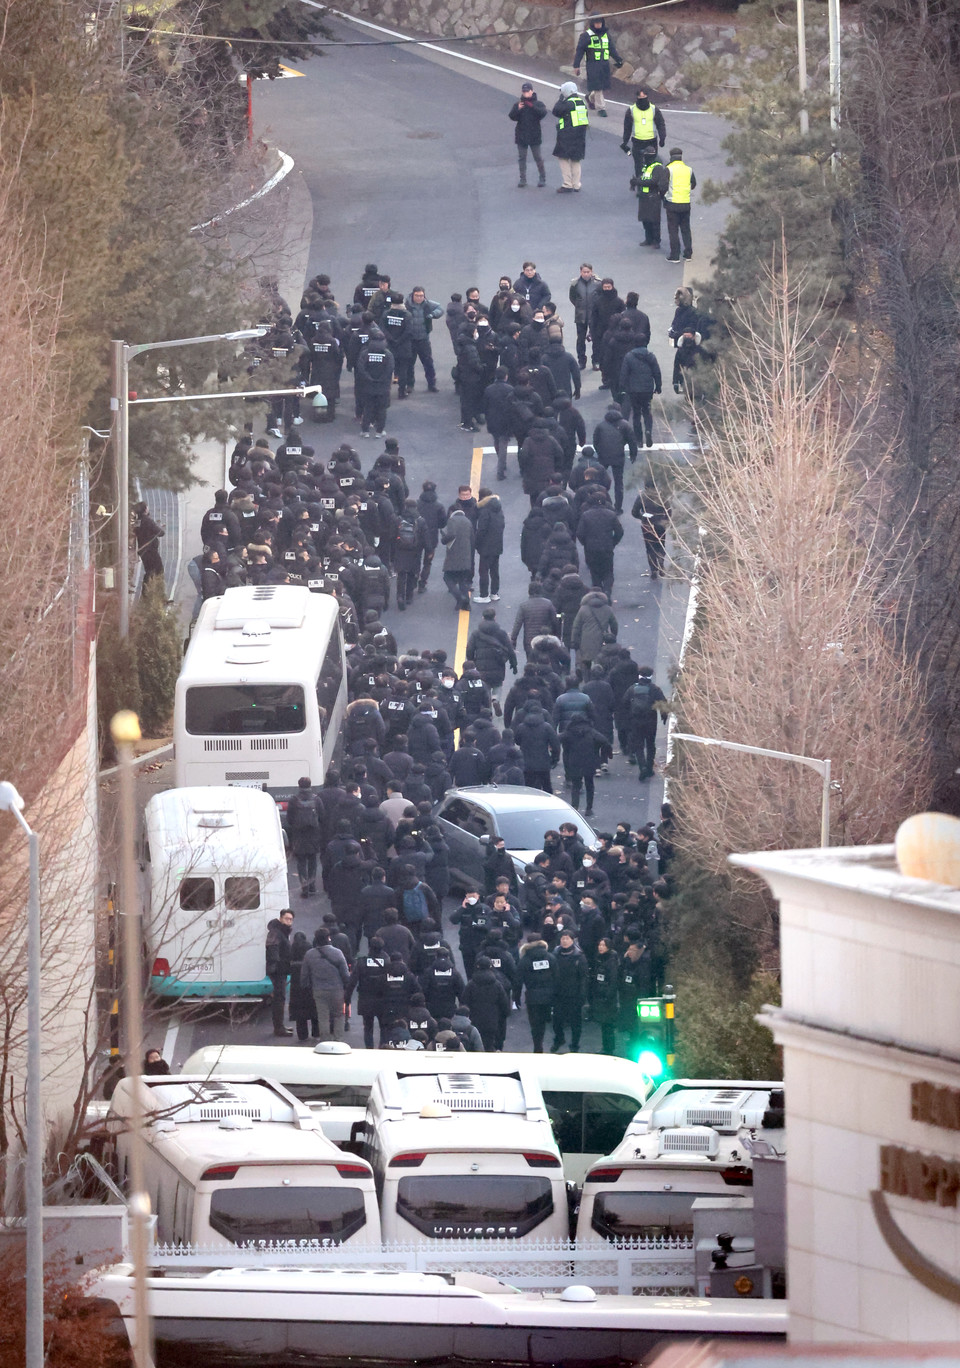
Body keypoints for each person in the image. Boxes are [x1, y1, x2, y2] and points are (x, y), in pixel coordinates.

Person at [301, 927, 350, 1042]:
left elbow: (304, 975)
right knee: (338, 1015)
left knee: (323, 1017)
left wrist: (305, 987)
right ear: (329, 938)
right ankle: (338, 1040)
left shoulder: (309, 954)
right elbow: (345, 973)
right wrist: (347, 987)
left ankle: (325, 1040)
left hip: (318, 990)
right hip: (336, 989)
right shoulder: (337, 953)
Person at [561, 712, 612, 817]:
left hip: (574, 762)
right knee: (589, 785)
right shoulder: (591, 731)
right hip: (589, 761)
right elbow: (604, 741)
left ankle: (575, 807)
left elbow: (558, 738)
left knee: (576, 785)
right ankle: (589, 808)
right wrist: (607, 754)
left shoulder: (569, 732)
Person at [573, 14, 623, 116]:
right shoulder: (586, 35)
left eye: (600, 22)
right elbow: (579, 51)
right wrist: (576, 65)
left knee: (602, 86)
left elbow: (611, 49)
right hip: (592, 64)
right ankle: (601, 108)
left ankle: (591, 97)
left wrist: (619, 60)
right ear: (592, 23)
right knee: (598, 86)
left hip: (604, 64)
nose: (598, 25)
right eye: (596, 23)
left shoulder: (606, 34)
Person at [624, 666, 668, 779]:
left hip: (636, 721)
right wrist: (664, 717)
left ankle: (642, 766)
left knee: (638, 744)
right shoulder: (655, 689)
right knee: (650, 744)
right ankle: (649, 767)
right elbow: (663, 704)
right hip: (650, 721)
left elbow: (624, 703)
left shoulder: (632, 689)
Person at [592, 406, 638, 515]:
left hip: (603, 456)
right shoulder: (625, 425)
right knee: (618, 483)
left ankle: (601, 501)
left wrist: (600, 452)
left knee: (600, 481)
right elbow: (632, 440)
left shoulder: (601, 425)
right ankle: (618, 507)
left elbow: (595, 441)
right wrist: (633, 454)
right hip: (618, 456)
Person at [576, 497, 624, 599]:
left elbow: (580, 533)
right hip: (607, 547)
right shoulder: (611, 514)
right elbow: (619, 531)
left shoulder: (586, 515)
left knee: (595, 572)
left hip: (591, 549)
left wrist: (586, 543)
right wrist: (613, 542)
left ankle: (598, 592)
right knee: (608, 571)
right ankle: (607, 590)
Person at [461, 956, 511, 1051]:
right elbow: (504, 1004)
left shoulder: (471, 984)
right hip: (492, 1021)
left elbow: (464, 1002)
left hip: (475, 1020)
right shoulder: (497, 984)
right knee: (489, 1045)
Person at [519, 933, 558, 1053]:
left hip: (532, 997)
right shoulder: (550, 957)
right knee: (545, 1020)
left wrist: (516, 997)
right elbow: (556, 976)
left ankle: (538, 1045)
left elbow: (518, 979)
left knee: (535, 1024)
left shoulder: (525, 960)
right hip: (548, 995)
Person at [620, 341, 662, 449]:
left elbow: (624, 373)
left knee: (636, 414)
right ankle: (648, 430)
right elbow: (656, 372)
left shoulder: (629, 357)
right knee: (647, 412)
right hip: (647, 389)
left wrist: (623, 387)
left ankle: (639, 439)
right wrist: (658, 386)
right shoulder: (650, 356)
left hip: (633, 390)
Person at [551, 929, 588, 1052]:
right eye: (563, 938)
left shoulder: (579, 956)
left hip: (574, 994)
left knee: (575, 1022)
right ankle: (559, 1039)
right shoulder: (555, 954)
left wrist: (582, 995)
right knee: (556, 1021)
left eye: (567, 938)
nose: (565, 941)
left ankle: (575, 1044)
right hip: (558, 993)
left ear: (572, 940)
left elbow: (583, 977)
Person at [286, 776, 324, 895]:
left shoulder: (294, 800)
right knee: (313, 860)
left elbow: (289, 818)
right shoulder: (316, 799)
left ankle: (304, 886)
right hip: (313, 834)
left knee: (301, 861)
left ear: (299, 785)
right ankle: (312, 885)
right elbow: (322, 815)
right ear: (310, 785)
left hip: (299, 835)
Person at [355, 329, 394, 437]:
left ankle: (365, 430)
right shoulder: (388, 354)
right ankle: (379, 431)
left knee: (368, 408)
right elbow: (390, 369)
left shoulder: (365, 353)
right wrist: (382, 379)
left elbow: (361, 368)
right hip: (383, 386)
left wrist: (369, 378)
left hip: (368, 386)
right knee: (382, 409)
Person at [551, 82, 589, 193]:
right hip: (580, 136)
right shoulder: (581, 103)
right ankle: (576, 184)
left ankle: (567, 184)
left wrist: (560, 99)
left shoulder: (568, 104)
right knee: (575, 159)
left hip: (567, 136)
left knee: (563, 158)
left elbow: (556, 111)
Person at [620, 86, 666, 175]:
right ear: (637, 97)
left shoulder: (654, 109)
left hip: (651, 141)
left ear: (647, 97)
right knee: (639, 166)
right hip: (637, 142)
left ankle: (651, 184)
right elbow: (627, 127)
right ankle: (639, 184)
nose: (642, 99)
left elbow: (661, 124)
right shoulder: (631, 110)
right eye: (640, 97)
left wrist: (662, 138)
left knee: (652, 165)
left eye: (644, 97)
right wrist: (625, 141)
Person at [509, 82, 548, 188]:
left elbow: (543, 113)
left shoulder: (538, 103)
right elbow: (512, 116)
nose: (525, 93)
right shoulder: (519, 104)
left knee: (538, 157)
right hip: (521, 135)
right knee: (522, 158)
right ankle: (523, 179)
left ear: (532, 91)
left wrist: (531, 106)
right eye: (524, 91)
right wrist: (518, 109)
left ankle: (542, 177)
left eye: (527, 91)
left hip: (534, 135)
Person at [571, 589, 618, 674]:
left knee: (586, 661)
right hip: (602, 639)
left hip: (586, 640)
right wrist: (613, 636)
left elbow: (576, 627)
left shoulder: (583, 609)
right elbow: (614, 624)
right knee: (601, 660)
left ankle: (588, 681)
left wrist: (574, 641)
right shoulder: (607, 609)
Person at [631, 481, 671, 579]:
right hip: (661, 524)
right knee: (661, 544)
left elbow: (634, 512)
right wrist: (666, 520)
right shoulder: (662, 496)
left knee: (650, 547)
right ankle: (661, 562)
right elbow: (668, 510)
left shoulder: (642, 496)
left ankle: (653, 568)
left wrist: (642, 517)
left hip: (647, 524)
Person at [265, 908, 295, 1036]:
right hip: (278, 970)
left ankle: (280, 1026)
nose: (289, 922)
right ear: (281, 918)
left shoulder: (279, 931)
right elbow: (273, 948)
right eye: (287, 919)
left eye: (291, 920)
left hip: (280, 969)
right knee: (279, 999)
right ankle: (278, 1028)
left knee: (280, 998)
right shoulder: (277, 932)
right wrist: (275, 965)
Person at [664, 147, 697, 262]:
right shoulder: (689, 169)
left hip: (672, 203)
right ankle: (688, 254)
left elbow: (663, 186)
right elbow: (693, 184)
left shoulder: (669, 169)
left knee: (673, 230)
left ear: (671, 157)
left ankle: (675, 255)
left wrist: (664, 196)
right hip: (685, 203)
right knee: (686, 229)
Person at [483, 367, 516, 481]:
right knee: (503, 444)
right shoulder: (510, 389)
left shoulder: (489, 389)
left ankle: (501, 463)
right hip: (505, 420)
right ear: (506, 376)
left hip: (492, 420)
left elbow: (485, 406)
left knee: (497, 441)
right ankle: (500, 469)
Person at [440, 505, 475, 610]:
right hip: (466, 556)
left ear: (451, 511)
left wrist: (443, 540)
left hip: (454, 555)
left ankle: (460, 598)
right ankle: (466, 605)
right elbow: (472, 539)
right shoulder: (468, 521)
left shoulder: (452, 520)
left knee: (447, 578)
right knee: (463, 580)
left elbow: (451, 534)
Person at [474, 487, 505, 603]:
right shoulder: (498, 509)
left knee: (483, 571)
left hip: (486, 546)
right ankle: (494, 593)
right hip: (497, 544)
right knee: (494, 570)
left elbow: (481, 530)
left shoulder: (485, 511)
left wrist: (476, 543)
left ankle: (484, 595)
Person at [288, 930, 320, 1041]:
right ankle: (316, 1033)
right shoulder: (309, 948)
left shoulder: (292, 948)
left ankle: (302, 1035)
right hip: (310, 985)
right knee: (314, 1009)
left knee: (299, 1012)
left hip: (297, 986)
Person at [590, 936, 620, 1054]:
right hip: (601, 995)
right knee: (604, 1024)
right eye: (600, 945)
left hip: (607, 998)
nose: (600, 947)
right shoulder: (599, 959)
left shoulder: (611, 960)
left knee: (608, 1024)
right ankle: (606, 1046)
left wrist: (608, 995)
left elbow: (613, 980)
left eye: (603, 945)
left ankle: (609, 1048)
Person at [568, 263, 601, 370]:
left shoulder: (598, 284)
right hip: (580, 316)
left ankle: (596, 361)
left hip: (594, 315)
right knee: (580, 340)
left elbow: (600, 297)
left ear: (592, 272)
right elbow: (572, 297)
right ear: (580, 272)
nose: (586, 274)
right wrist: (579, 306)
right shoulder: (575, 284)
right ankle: (581, 361)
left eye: (588, 272)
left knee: (596, 339)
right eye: (584, 272)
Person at [633, 151, 669, 248]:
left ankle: (656, 240)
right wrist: (637, 181)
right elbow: (643, 177)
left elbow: (654, 181)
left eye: (645, 156)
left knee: (654, 220)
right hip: (644, 197)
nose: (644, 158)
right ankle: (648, 239)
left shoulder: (657, 167)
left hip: (653, 197)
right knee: (645, 219)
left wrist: (639, 182)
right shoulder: (647, 167)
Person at [132, 501, 165, 585]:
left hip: (143, 550)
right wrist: (160, 528)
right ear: (145, 509)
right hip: (151, 550)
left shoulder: (137, 521)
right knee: (158, 570)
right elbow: (160, 533)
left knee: (149, 570)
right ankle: (151, 591)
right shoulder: (147, 520)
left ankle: (146, 591)